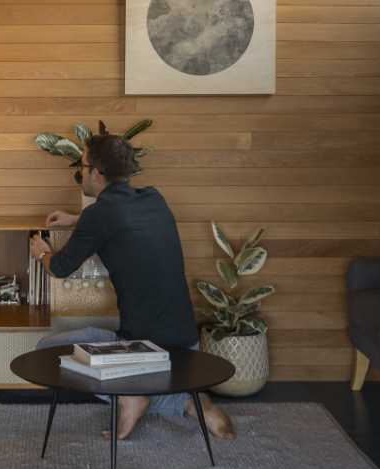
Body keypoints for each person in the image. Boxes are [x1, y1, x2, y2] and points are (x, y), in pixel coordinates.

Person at [30, 132, 236, 443]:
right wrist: (77, 220)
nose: (79, 174)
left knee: (45, 351)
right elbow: (118, 218)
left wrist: (41, 251)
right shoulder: (154, 198)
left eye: (81, 168)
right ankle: (190, 400)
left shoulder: (100, 216)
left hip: (144, 349)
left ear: (97, 173)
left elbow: (59, 268)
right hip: (185, 346)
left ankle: (144, 399)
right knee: (92, 344)